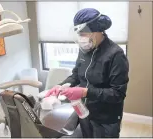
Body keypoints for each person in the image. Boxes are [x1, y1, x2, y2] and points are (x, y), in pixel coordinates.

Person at [45, 8, 129, 138]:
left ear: (97, 31)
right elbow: (76, 75)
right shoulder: (85, 49)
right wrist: (63, 85)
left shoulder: (115, 55)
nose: (81, 38)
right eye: (79, 34)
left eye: (84, 33)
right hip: (85, 111)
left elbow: (118, 94)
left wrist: (85, 92)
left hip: (106, 118)